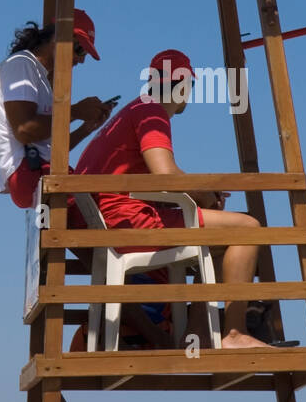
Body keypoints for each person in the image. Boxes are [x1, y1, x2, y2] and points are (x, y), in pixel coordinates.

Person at [74, 49, 276, 349]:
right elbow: (165, 174)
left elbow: (147, 182)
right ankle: (234, 335)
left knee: (219, 243)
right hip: (125, 222)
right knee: (247, 228)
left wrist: (194, 198)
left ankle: (199, 335)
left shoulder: (132, 110)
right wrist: (204, 194)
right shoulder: (151, 110)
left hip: (107, 221)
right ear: (183, 85)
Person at [0, 14, 113, 209]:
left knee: (109, 207)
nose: (80, 60)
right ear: (58, 39)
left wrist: (86, 128)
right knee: (113, 207)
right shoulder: (21, 66)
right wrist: (75, 112)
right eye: (79, 49)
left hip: (39, 172)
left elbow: (49, 147)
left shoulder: (39, 75)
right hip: (30, 173)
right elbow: (25, 130)